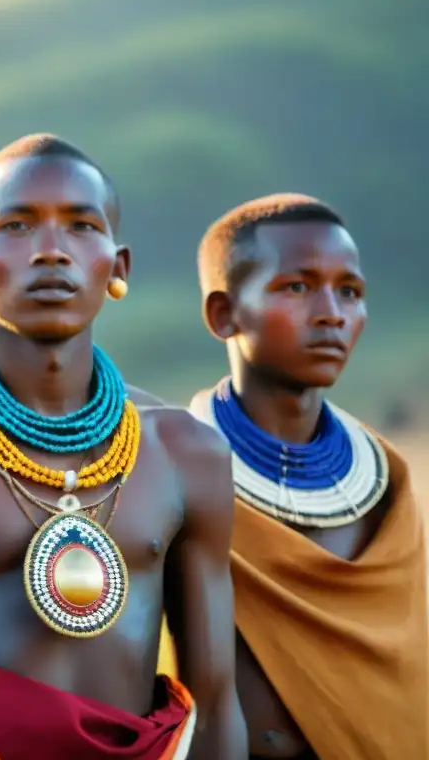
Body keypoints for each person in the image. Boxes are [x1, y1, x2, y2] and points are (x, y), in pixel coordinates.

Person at [0, 133, 247, 759]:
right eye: (17, 225)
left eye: (82, 227)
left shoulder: (187, 450)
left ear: (119, 268)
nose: (52, 252)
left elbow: (217, 700)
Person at [189, 193, 427, 760]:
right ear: (224, 314)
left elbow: (406, 677)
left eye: (350, 291)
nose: (332, 313)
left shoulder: (387, 481)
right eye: (297, 287)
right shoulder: (174, 473)